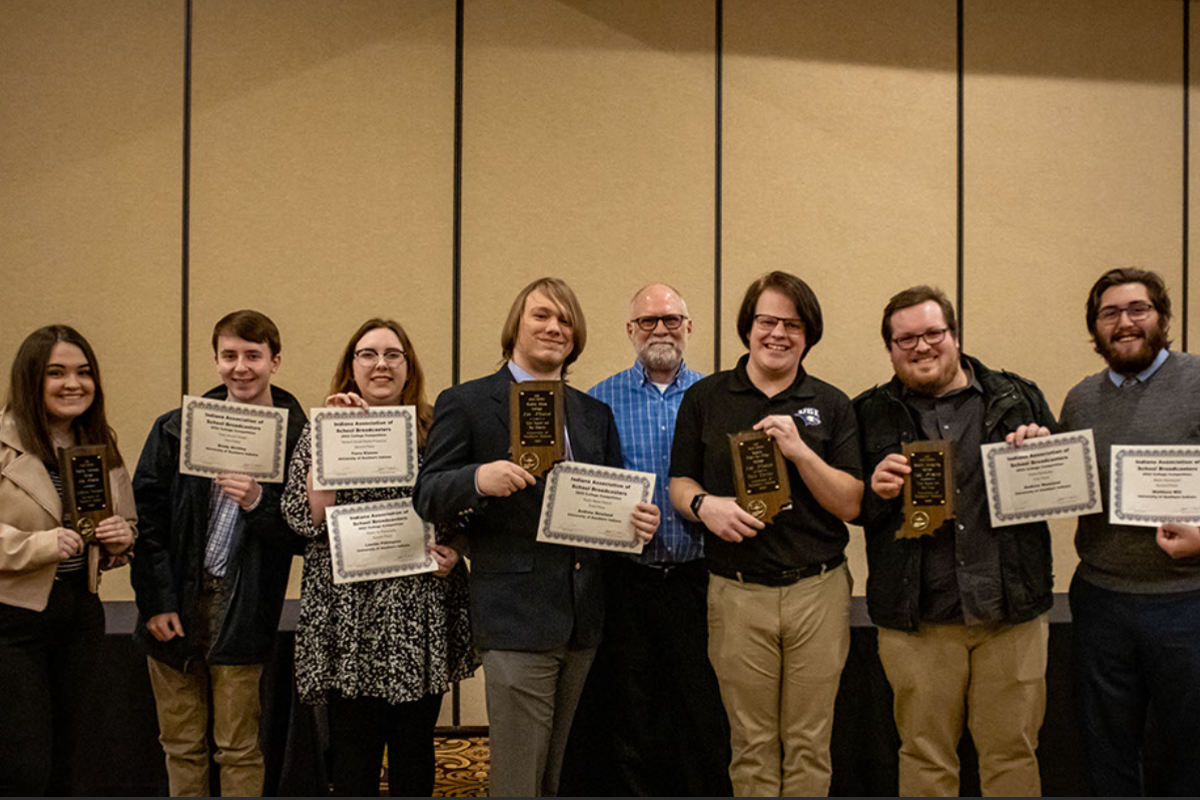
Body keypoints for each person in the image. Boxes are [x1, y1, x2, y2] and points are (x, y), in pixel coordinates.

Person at [413, 277, 660, 797]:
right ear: (515, 327)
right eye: (542, 316)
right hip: (514, 616)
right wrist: (480, 478)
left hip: (583, 618)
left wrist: (636, 523)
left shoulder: (594, 414)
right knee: (518, 776)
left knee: (558, 773)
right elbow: (428, 493)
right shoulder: (468, 402)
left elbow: (612, 503)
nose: (554, 328)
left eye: (565, 320)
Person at [852, 285, 1055, 797]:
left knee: (1012, 755)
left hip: (1009, 614)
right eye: (906, 340)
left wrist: (1041, 453)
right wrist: (876, 492)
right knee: (925, 758)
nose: (921, 347)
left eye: (932, 334)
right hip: (919, 620)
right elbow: (851, 506)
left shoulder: (1018, 397)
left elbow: (1060, 485)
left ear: (955, 336)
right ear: (890, 348)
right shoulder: (866, 413)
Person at [669, 271, 863, 797]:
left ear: (809, 333)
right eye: (767, 321)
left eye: (792, 324)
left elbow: (851, 502)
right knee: (750, 742)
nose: (778, 334)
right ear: (747, 328)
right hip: (736, 591)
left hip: (817, 590)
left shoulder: (832, 403)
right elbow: (678, 483)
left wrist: (801, 452)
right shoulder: (705, 397)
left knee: (808, 740)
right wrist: (705, 507)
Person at [281, 318, 477, 796]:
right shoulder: (323, 427)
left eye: (393, 354)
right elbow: (304, 518)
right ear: (351, 366)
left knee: (414, 746)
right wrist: (334, 436)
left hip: (421, 609)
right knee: (353, 752)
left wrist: (456, 548)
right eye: (368, 354)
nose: (381, 364)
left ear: (409, 367)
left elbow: (467, 507)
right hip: (349, 615)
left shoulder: (437, 429)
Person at [130, 310, 307, 797]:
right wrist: (157, 600)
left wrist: (257, 502)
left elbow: (304, 535)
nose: (240, 367)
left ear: (275, 360)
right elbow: (147, 522)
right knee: (181, 744)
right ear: (215, 360)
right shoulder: (175, 429)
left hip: (244, 607)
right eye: (229, 356)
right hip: (176, 603)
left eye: (253, 356)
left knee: (238, 748)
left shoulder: (299, 440)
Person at [583, 283, 731, 795]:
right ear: (630, 332)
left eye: (671, 319)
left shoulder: (717, 397)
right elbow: (584, 492)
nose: (660, 330)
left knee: (701, 709)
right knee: (632, 710)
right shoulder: (598, 400)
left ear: (689, 327)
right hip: (628, 581)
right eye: (648, 321)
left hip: (702, 578)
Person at [1059, 267, 1200, 795]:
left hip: (1187, 602)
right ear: (1094, 328)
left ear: (1162, 317)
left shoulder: (1198, 381)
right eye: (1109, 313)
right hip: (1101, 602)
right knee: (1107, 750)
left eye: (1138, 309)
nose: (1125, 323)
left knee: (1191, 750)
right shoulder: (1079, 400)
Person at [0, 325, 136, 795]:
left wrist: (122, 539)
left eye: (83, 372)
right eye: (56, 373)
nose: (72, 384)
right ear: (31, 379)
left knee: (72, 761)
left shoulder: (98, 442)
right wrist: (39, 546)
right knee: (22, 765)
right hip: (11, 621)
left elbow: (123, 524)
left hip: (79, 614)